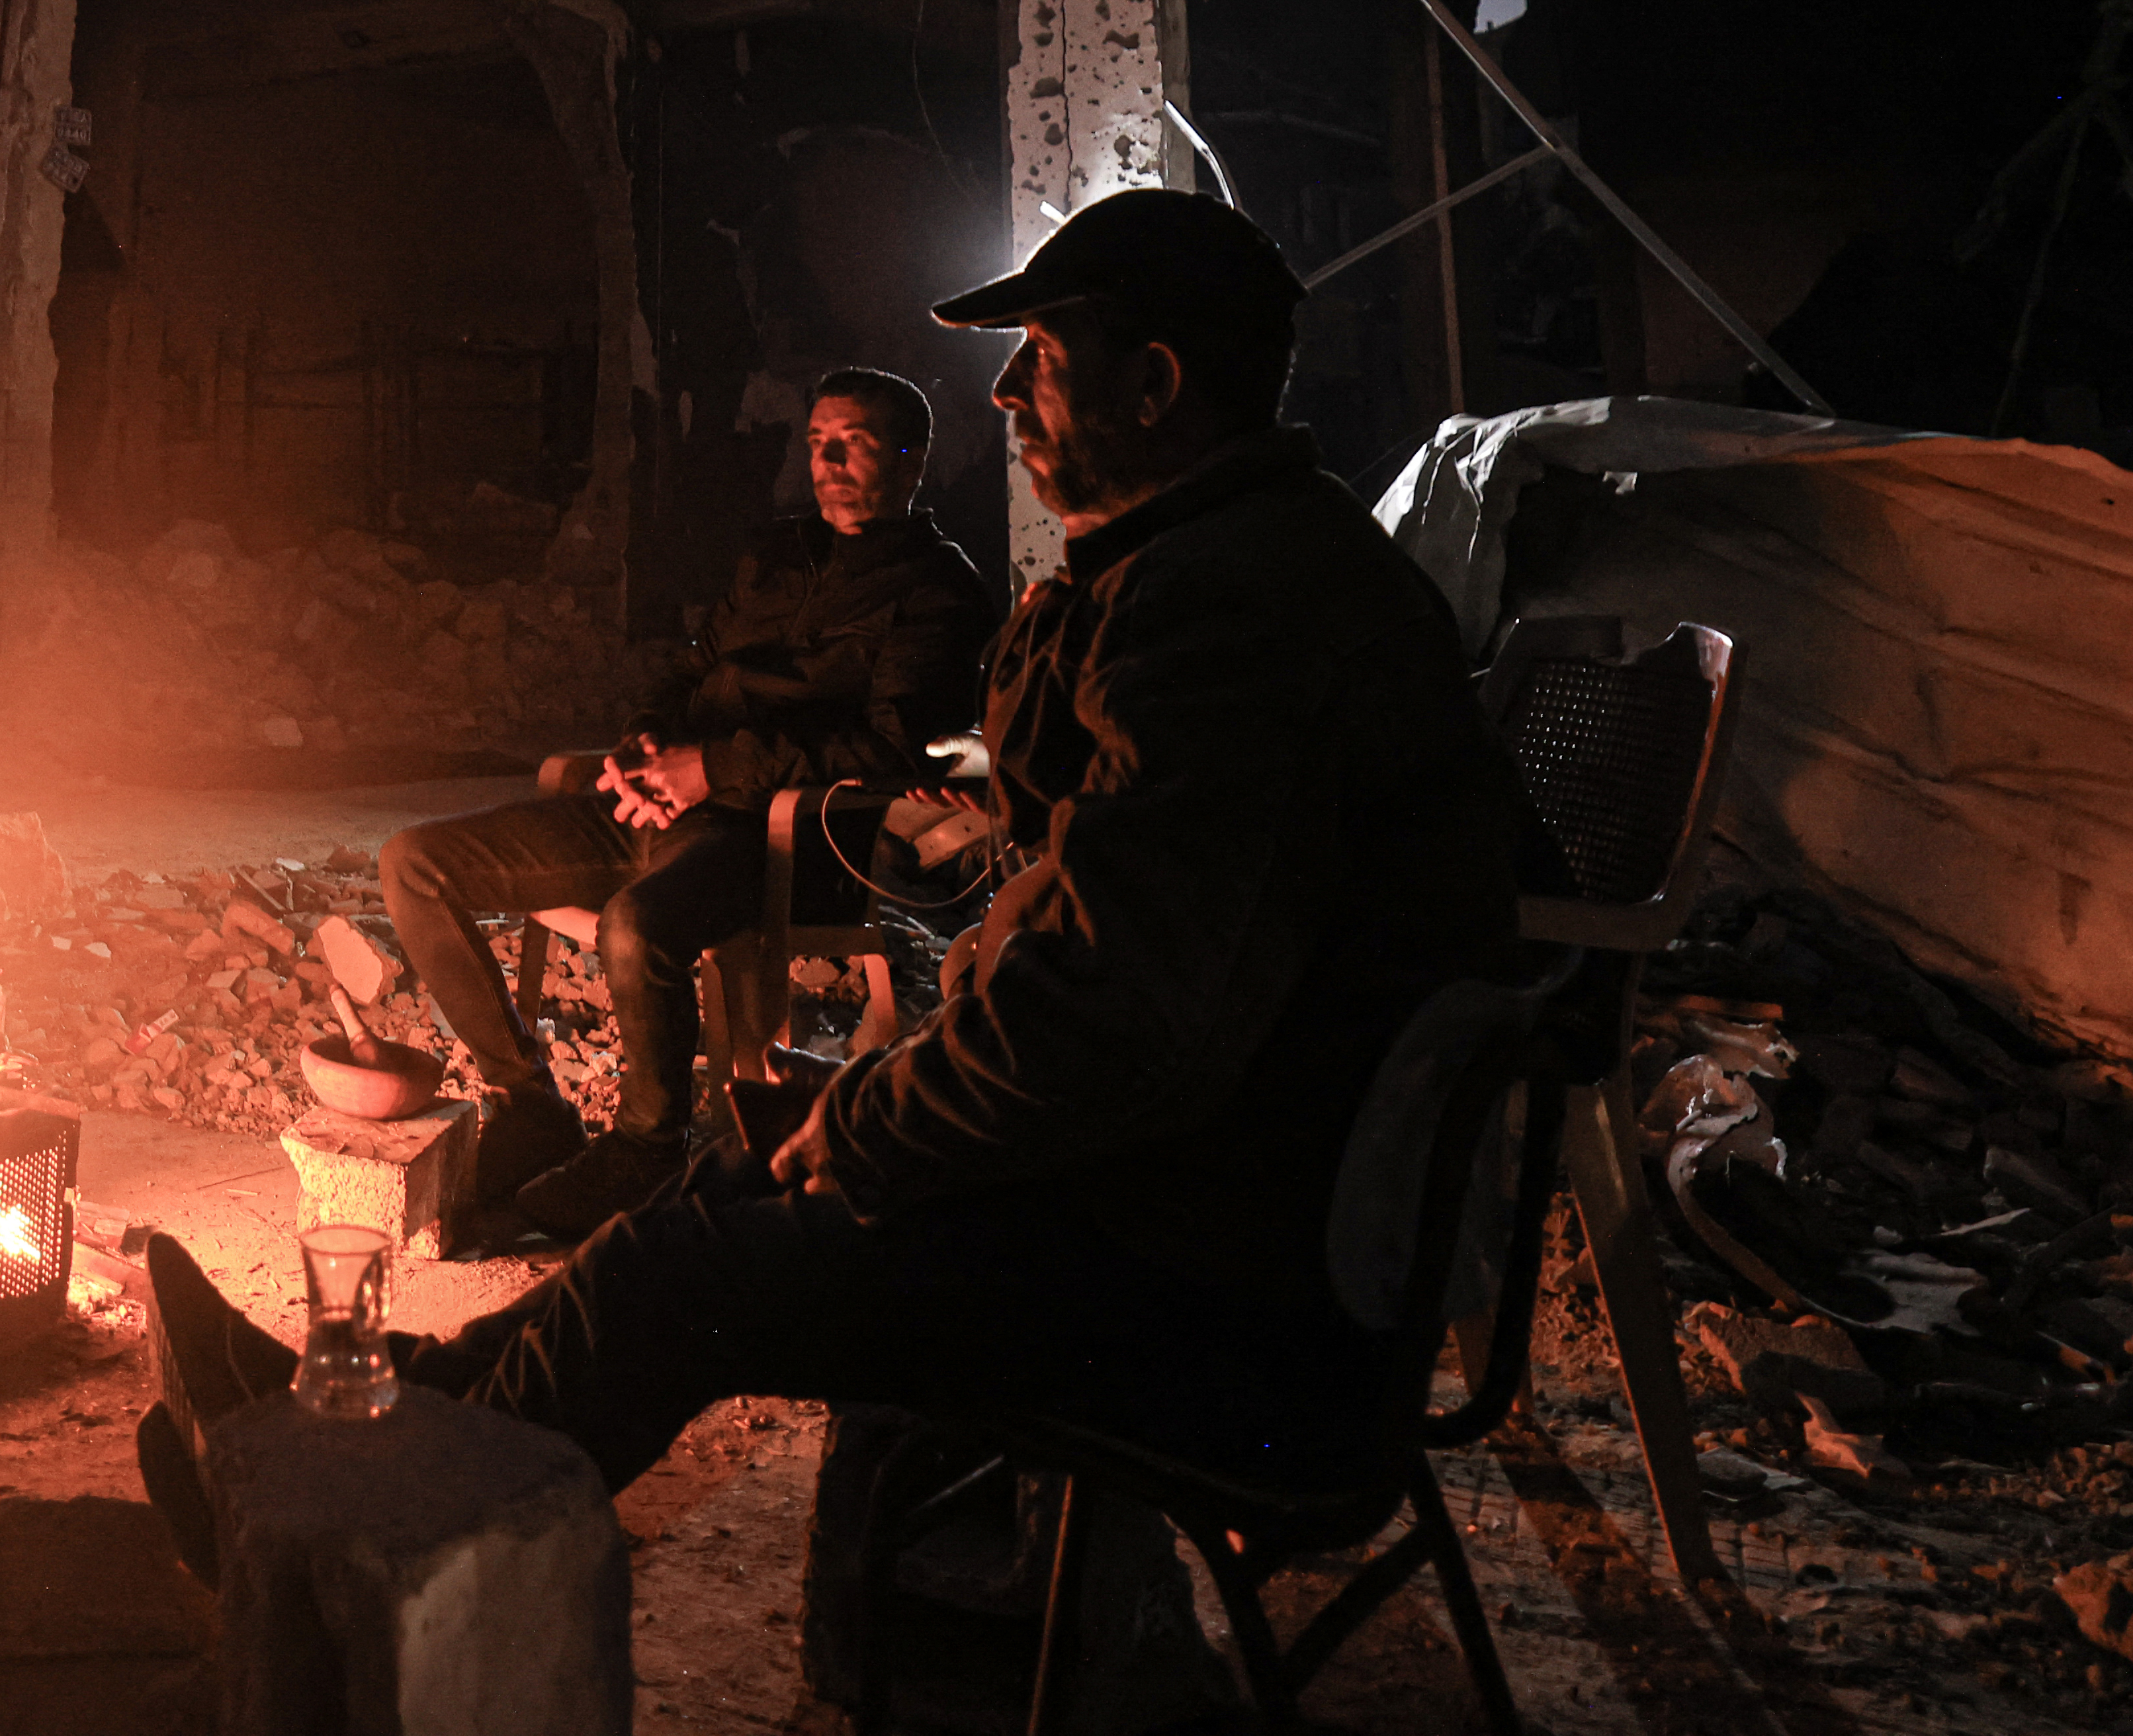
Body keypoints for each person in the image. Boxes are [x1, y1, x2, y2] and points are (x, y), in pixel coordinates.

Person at [141, 189, 1530, 1544]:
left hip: (1213, 1284)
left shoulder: (1229, 612)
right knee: (717, 1190)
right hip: (1169, 1186)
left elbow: (1109, 1018)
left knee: (689, 1264)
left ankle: (352, 1519)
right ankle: (373, 1407)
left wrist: (872, 1126)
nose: (1004, 397)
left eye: (1041, 361)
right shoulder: (1224, 569)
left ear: (1155, 384)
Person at [378, 367, 995, 1242]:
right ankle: (530, 1100)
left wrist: (711, 769)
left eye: (852, 440)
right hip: (660, 800)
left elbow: (882, 751)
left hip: (766, 834)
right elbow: (687, 665)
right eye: (817, 439)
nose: (827, 459)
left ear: (911, 456)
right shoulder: (778, 555)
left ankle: (646, 1144)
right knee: (414, 860)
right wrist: (641, 741)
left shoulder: (938, 589)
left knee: (636, 924)